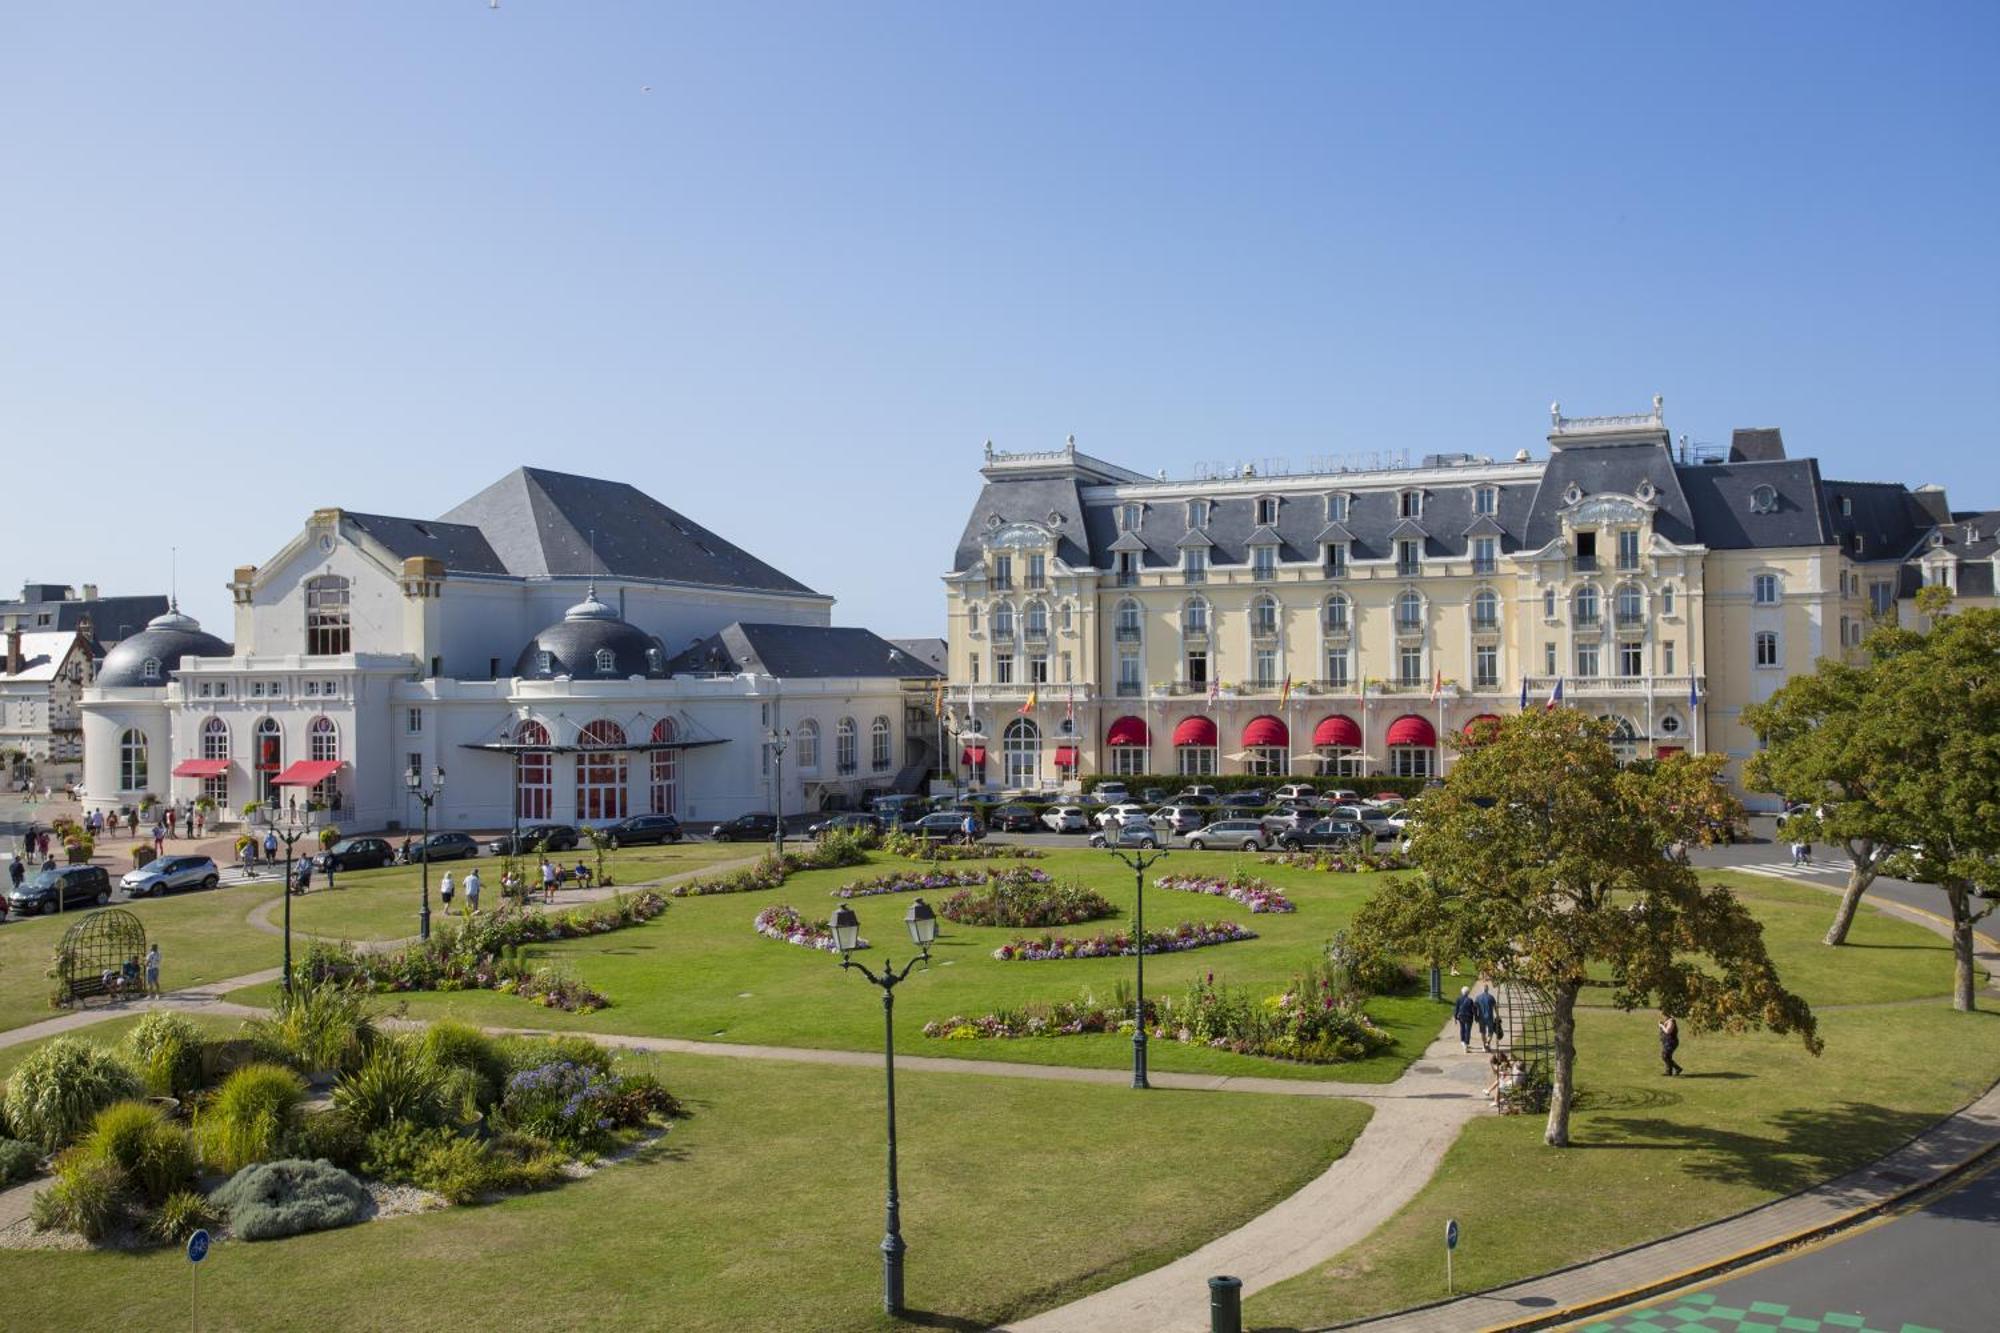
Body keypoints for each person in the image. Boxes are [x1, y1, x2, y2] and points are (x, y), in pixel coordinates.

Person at [1473, 983, 1499, 1053]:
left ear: (1483, 989)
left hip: (1481, 1017)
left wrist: (1476, 1016)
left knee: (1482, 1032)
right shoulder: (1491, 997)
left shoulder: (1478, 998)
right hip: (1490, 1017)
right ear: (1488, 989)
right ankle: (1488, 1043)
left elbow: (1475, 1008)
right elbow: (1495, 1007)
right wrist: (1497, 1015)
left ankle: (1484, 1045)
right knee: (1491, 1031)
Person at [1452, 986, 1477, 1054]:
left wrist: (1455, 1018)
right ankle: (1466, 1044)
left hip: (1461, 1017)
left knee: (1462, 1029)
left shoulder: (1458, 999)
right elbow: (1473, 1010)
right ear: (1468, 993)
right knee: (1468, 1030)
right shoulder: (1470, 1000)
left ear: (1462, 992)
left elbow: (1456, 1009)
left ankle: (1463, 1042)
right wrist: (1476, 1016)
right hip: (1469, 1017)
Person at [1658, 1011, 1683, 1077]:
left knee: (1665, 1056)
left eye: (1663, 1015)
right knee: (1667, 1056)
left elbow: (1668, 1031)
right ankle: (1668, 1072)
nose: (1662, 1017)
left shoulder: (1671, 1021)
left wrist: (1662, 1026)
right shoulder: (1667, 1020)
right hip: (1667, 1041)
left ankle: (1678, 1068)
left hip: (1671, 1042)